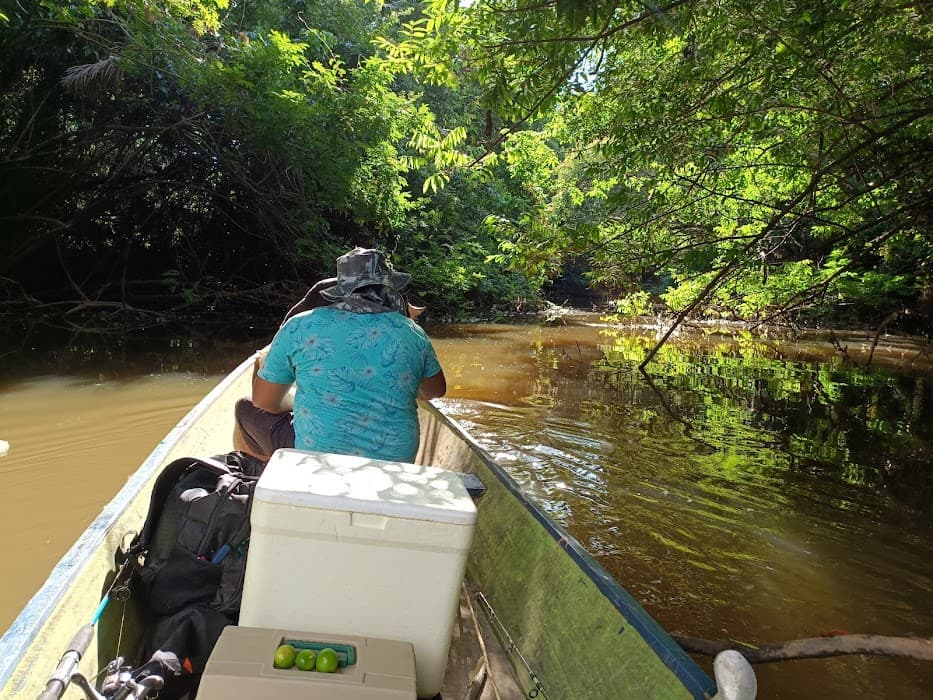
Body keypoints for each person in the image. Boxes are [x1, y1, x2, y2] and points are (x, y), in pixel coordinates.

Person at [233, 247, 446, 463]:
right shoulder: (412, 332)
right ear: (389, 287)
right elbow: (435, 391)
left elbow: (264, 402)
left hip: (318, 455)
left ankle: (259, 476)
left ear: (341, 288)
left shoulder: (300, 325)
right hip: (396, 460)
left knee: (245, 406)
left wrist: (293, 405)